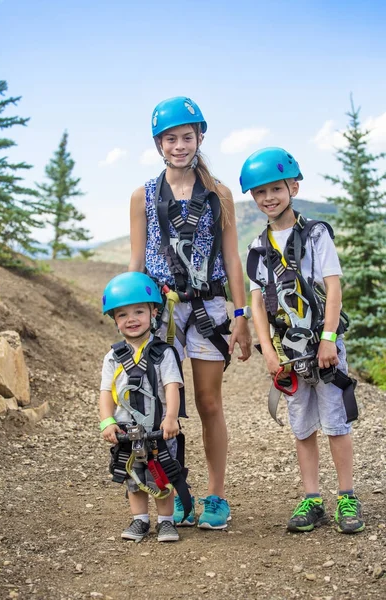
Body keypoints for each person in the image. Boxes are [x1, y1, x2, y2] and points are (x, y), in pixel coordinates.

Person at [129, 96, 252, 530]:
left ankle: (216, 496)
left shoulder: (220, 195)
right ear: (158, 143)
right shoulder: (143, 196)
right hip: (162, 309)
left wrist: (241, 315)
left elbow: (233, 259)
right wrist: (133, 314)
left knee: (207, 401)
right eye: (170, 138)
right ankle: (175, 493)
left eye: (187, 137)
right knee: (165, 401)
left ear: (200, 137)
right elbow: (138, 262)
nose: (179, 145)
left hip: (210, 306)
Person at [240, 147, 364, 534]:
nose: (268, 198)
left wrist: (329, 339)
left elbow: (332, 286)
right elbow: (257, 303)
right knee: (302, 428)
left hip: (322, 350)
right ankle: (312, 498)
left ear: (293, 186)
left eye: (275, 188)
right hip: (289, 357)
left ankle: (346, 495)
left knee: (336, 424)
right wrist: (268, 352)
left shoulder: (315, 235)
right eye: (259, 193)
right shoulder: (258, 249)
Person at [99, 271, 189, 543]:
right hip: (127, 431)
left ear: (153, 313)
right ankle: (140, 520)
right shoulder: (113, 358)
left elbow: (173, 387)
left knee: (163, 473)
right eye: (123, 315)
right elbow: (106, 393)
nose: (132, 319)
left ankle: (165, 521)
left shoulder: (164, 353)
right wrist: (108, 422)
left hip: (159, 430)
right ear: (115, 320)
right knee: (132, 475)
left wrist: (171, 418)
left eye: (139, 311)